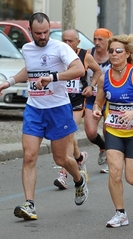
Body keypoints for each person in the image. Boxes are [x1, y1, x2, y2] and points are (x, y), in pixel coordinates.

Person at [0, 12, 88, 220]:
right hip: (34, 109)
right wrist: (9, 82)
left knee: (60, 158)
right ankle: (29, 204)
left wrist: (53, 77)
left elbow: (79, 69)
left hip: (58, 109)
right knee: (29, 156)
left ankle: (78, 179)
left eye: (46, 32)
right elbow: (29, 70)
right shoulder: (27, 49)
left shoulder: (60, 48)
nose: (43, 36)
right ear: (30, 31)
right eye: (38, 33)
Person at [92, 34, 133, 228]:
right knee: (114, 172)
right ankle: (120, 213)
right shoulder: (105, 77)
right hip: (113, 130)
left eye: (118, 51)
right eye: (111, 51)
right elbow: (99, 100)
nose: (113, 54)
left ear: (127, 54)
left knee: (132, 178)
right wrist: (97, 109)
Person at [53, 29, 102, 189]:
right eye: (64, 40)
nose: (67, 44)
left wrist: (91, 85)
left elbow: (98, 71)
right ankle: (80, 158)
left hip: (77, 101)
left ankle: (63, 174)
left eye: (70, 41)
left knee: (67, 135)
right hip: (60, 102)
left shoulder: (84, 56)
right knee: (68, 135)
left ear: (78, 42)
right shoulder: (57, 54)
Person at [86, 28, 113, 173]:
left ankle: (111, 160)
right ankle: (103, 147)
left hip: (110, 99)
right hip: (92, 99)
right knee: (90, 132)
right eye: (95, 39)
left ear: (108, 41)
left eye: (100, 39)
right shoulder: (88, 54)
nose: (97, 42)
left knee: (108, 130)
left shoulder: (114, 55)